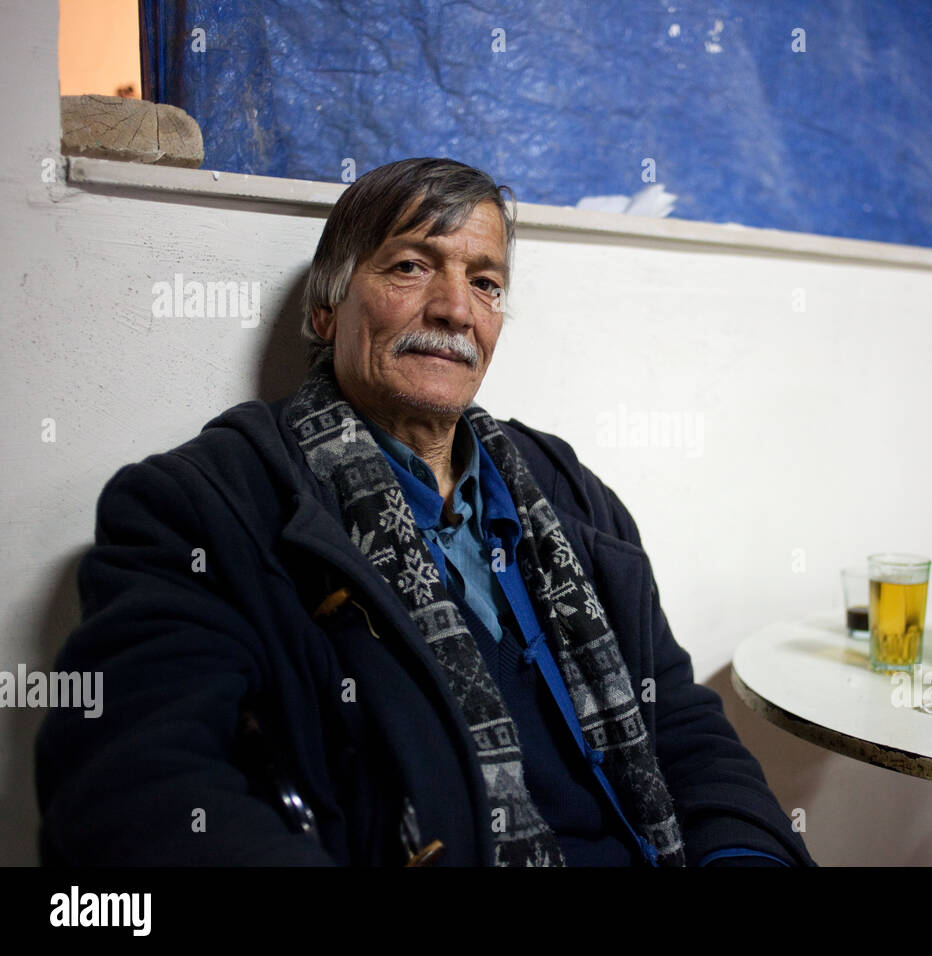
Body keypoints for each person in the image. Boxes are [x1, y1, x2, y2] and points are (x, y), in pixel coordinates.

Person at [35, 157, 814, 867]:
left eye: (485, 282)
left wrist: (747, 859)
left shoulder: (568, 491)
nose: (454, 309)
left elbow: (679, 723)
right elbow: (132, 795)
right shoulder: (202, 509)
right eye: (411, 266)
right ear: (325, 311)